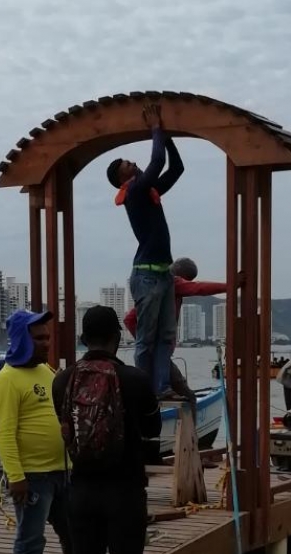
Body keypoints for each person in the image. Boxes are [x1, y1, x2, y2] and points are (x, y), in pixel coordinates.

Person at [54, 306, 161, 554]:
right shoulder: (136, 379)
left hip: (81, 492)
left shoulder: (62, 381)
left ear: (83, 338)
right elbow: (154, 430)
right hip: (125, 492)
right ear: (117, 336)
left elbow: (68, 429)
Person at [0, 309, 73, 554]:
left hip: (64, 471)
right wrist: (16, 477)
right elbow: (4, 433)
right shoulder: (5, 381)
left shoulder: (47, 372)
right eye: (38, 338)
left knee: (75, 536)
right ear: (21, 339)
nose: (46, 343)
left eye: (48, 337)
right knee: (31, 541)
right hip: (33, 478)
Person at [106, 103, 184, 400]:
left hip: (162, 275)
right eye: (127, 164)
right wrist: (156, 129)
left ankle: (161, 388)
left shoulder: (148, 192)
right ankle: (144, 391)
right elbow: (157, 162)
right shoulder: (136, 191)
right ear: (123, 178)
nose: (132, 163)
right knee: (146, 339)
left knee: (165, 337)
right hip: (148, 276)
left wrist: (168, 136)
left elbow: (175, 168)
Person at [122, 257, 225, 401]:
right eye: (187, 280)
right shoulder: (173, 283)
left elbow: (129, 319)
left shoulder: (155, 291)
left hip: (154, 353)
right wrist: (228, 286)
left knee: (154, 390)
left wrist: (144, 342)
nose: (186, 284)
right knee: (185, 392)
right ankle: (189, 420)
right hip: (159, 353)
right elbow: (199, 287)